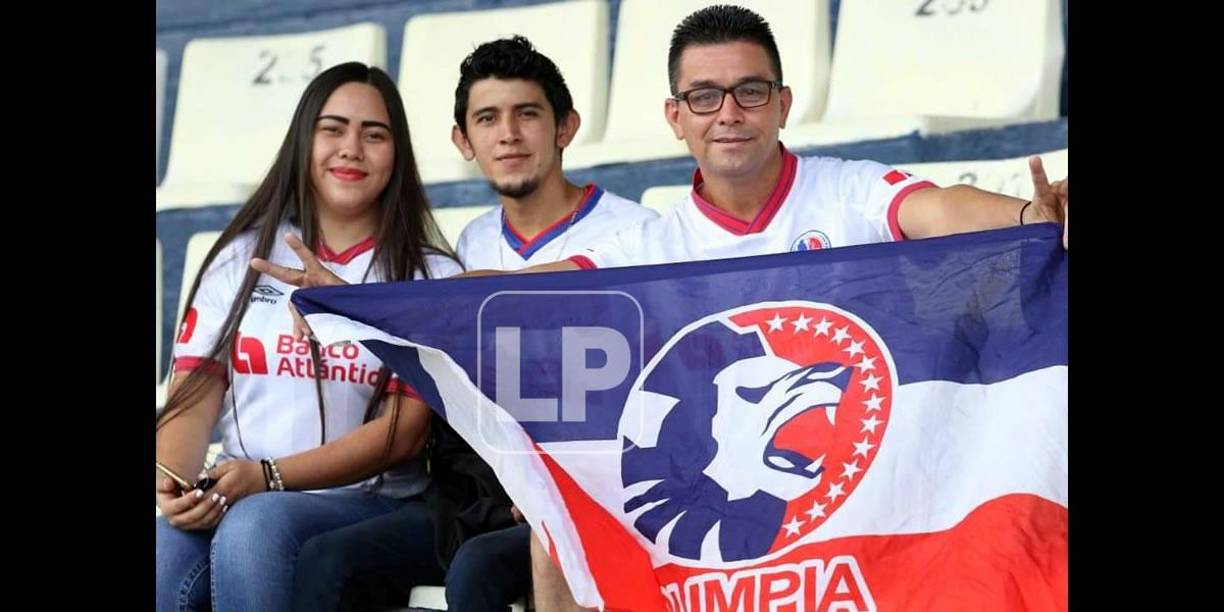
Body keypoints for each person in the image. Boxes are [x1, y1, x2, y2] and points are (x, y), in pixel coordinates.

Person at [257, 7, 1070, 610]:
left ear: (783, 103)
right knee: (554, 532)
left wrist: (1034, 218)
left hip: (865, 499)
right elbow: (513, 298)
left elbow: (942, 210)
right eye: (705, 96)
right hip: (731, 524)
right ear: (675, 117)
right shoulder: (654, 243)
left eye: (749, 91)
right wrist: (364, 302)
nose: (729, 113)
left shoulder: (850, 192)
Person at [290, 36, 658, 612]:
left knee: (477, 570)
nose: (508, 134)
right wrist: (340, 305)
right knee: (327, 560)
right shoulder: (471, 242)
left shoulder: (636, 234)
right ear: (463, 141)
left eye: (527, 114)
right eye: (487, 119)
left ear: (565, 127)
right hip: (482, 496)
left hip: (598, 494)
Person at [155, 61, 461, 612]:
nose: (351, 149)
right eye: (332, 129)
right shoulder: (240, 257)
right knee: (161, 553)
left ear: (398, 154)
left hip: (369, 505)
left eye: (374, 135)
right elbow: (195, 395)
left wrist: (269, 478)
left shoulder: (429, 275)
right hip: (243, 489)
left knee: (255, 526)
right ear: (303, 141)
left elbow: (403, 435)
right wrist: (173, 481)